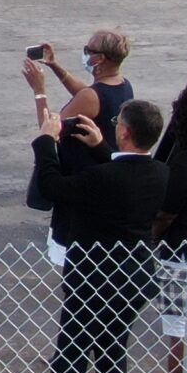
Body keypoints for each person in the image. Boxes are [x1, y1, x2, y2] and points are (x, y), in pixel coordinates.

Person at [34, 97, 168, 373]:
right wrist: (100, 147)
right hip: (133, 279)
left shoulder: (101, 178)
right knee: (112, 355)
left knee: (71, 357)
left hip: (92, 279)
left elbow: (53, 187)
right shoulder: (160, 173)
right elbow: (124, 174)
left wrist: (45, 140)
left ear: (124, 132)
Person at [30, 31, 137, 266]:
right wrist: (55, 66)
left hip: (80, 180)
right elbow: (87, 94)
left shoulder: (92, 96)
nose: (85, 52)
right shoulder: (122, 85)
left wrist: (39, 90)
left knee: (74, 255)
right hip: (104, 177)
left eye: (89, 49)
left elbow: (49, 130)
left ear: (99, 59)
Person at [152, 65, 187, 373]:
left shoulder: (184, 150)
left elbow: (166, 207)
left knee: (177, 330)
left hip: (178, 254)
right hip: (183, 248)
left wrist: (148, 236)